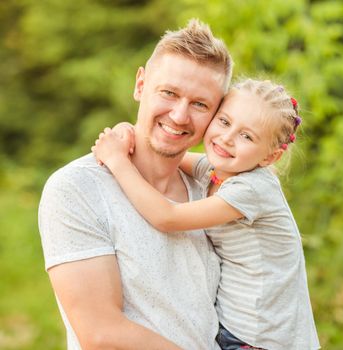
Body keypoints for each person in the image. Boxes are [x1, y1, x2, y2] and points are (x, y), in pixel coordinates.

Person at [38, 19, 233, 350]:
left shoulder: (212, 192)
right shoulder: (76, 190)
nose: (180, 116)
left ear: (217, 112)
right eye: (169, 93)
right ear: (141, 84)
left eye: (200, 104)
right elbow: (102, 334)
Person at [92, 79, 321, 350]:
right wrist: (124, 133)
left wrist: (118, 161)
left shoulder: (253, 188)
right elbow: (164, 152)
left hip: (265, 340)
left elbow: (168, 217)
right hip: (237, 330)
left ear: (270, 157)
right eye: (224, 122)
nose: (227, 138)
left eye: (246, 136)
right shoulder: (216, 171)